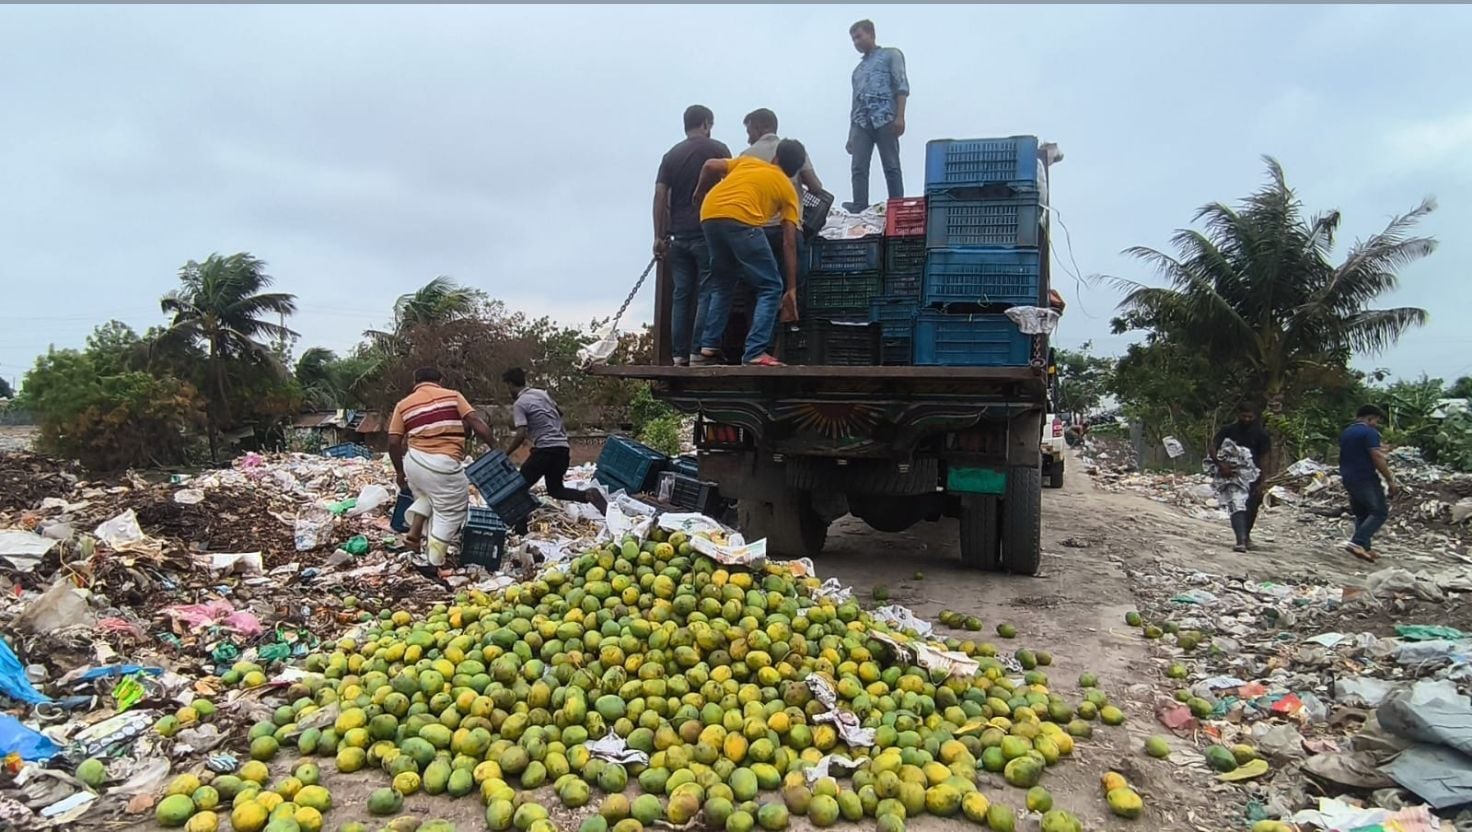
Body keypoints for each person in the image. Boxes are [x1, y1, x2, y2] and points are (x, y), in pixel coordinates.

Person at [691, 141, 807, 367]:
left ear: (776, 157)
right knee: (771, 286)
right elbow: (789, 242)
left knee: (723, 284)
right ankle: (755, 351)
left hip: (710, 214)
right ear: (796, 169)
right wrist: (791, 288)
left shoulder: (748, 162)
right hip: (742, 221)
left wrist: (700, 192)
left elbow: (709, 165)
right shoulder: (787, 188)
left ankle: (707, 348)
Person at [388, 368, 497, 567]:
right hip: (442, 463)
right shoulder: (453, 396)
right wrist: (495, 448)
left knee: (428, 497)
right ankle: (433, 561)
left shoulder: (403, 405)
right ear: (440, 380)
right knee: (451, 511)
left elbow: (394, 442)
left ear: (415, 381)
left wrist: (400, 472)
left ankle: (413, 536)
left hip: (414, 461)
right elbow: (474, 421)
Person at [654, 105, 732, 366]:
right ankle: (698, 351)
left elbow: (660, 196)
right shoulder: (718, 150)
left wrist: (658, 235)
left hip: (677, 236)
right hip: (706, 231)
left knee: (681, 294)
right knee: (707, 290)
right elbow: (732, 188)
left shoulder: (670, 156)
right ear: (706, 123)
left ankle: (678, 355)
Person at [501, 368, 603, 531]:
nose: (508, 391)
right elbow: (559, 412)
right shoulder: (542, 394)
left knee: (517, 489)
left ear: (511, 384)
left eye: (507, 386)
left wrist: (505, 454)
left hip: (544, 451)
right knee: (556, 490)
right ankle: (587, 495)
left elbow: (521, 433)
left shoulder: (519, 403)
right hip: (562, 449)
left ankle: (521, 531)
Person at [845, 19, 909, 213]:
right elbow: (855, 101)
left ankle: (897, 204)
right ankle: (859, 205)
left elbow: (901, 85)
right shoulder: (857, 71)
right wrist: (850, 135)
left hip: (885, 117)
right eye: (853, 39)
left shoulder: (891, 55)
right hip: (861, 123)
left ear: (871, 34)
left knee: (890, 164)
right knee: (858, 167)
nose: (856, 42)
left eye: (859, 36)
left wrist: (900, 116)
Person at [1340, 404, 1400, 561]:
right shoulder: (1369, 432)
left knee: (1363, 513)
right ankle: (1357, 542)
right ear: (1369, 418)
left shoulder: (1347, 432)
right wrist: (1390, 480)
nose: (1376, 424)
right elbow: (1377, 456)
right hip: (1365, 477)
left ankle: (1364, 547)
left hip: (1348, 477)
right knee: (1379, 512)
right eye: (1376, 420)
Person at [1211, 403, 1272, 551]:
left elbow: (1265, 458)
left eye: (1250, 417)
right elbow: (1213, 446)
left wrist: (1263, 481)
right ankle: (1240, 540)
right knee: (1236, 505)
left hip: (1252, 476)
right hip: (1231, 475)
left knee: (1251, 507)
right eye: (1244, 416)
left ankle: (1246, 536)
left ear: (1255, 417)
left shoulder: (1261, 434)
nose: (1246, 419)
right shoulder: (1228, 430)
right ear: (1238, 415)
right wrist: (1220, 464)